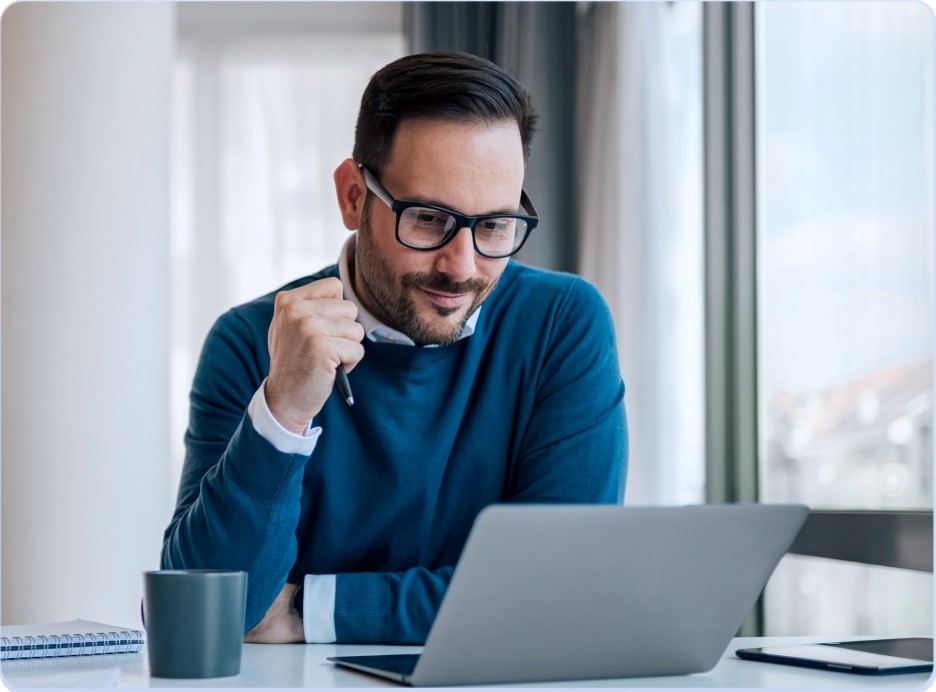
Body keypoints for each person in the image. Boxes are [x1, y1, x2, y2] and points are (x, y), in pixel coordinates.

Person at [162, 51, 628, 645]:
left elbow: (563, 589)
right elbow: (200, 610)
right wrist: (283, 412)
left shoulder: (562, 324)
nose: (462, 267)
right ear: (353, 196)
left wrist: (311, 609)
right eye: (429, 218)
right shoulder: (250, 342)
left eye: (494, 225)